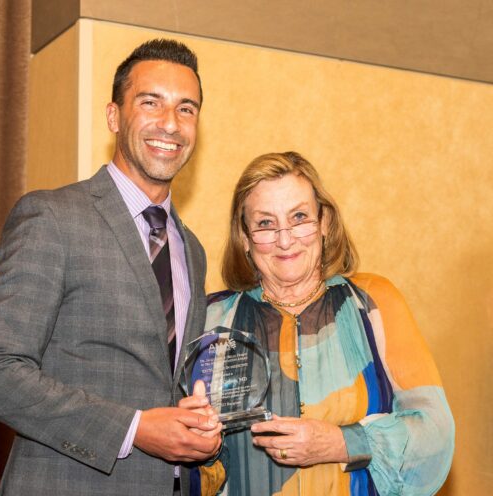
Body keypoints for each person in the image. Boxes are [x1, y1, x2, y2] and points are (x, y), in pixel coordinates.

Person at [0, 39, 222, 496]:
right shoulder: (52, 217)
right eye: (151, 102)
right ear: (114, 116)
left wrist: (194, 426)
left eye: (187, 109)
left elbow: (164, 386)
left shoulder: (193, 250)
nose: (170, 123)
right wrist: (134, 428)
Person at [186, 151, 454, 495]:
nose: (285, 239)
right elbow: (188, 473)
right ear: (244, 237)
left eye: (299, 217)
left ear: (324, 221)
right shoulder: (212, 322)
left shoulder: (372, 303)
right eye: (265, 223)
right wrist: (197, 448)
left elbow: (436, 435)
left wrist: (341, 442)